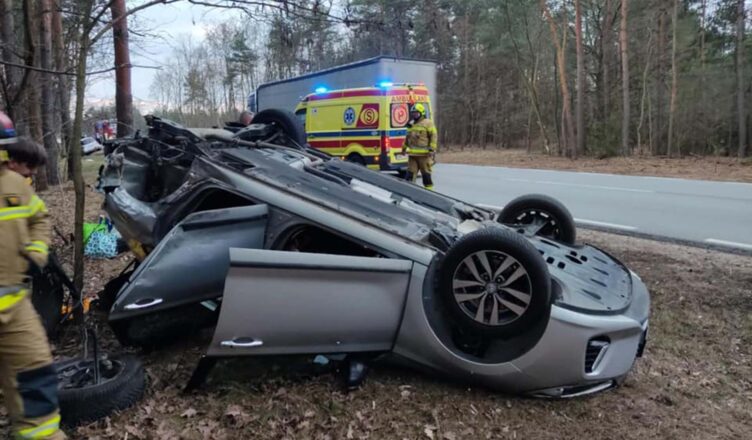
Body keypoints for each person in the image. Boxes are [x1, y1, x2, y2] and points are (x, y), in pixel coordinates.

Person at [0, 112, 66, 439]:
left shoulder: (13, 186)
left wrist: (37, 249)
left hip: (14, 307)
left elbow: (40, 217)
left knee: (36, 371)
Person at [402, 103, 437, 190]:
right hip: (412, 156)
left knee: (426, 176)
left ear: (422, 113)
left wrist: (432, 149)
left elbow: (433, 135)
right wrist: (404, 148)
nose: (414, 115)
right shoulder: (411, 124)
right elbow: (408, 137)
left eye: (416, 113)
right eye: (413, 113)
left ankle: (429, 193)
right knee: (410, 176)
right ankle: (409, 192)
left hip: (424, 156)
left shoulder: (428, 123)